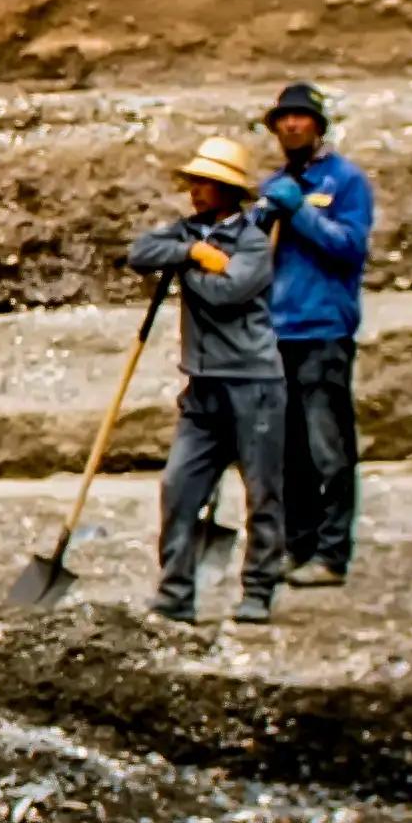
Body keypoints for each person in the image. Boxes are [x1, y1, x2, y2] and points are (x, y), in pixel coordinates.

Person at [123, 152, 295, 624]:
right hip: (203, 388)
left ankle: (258, 590)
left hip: (254, 386)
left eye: (206, 183)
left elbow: (228, 292)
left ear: (229, 191)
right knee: (179, 488)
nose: (196, 191)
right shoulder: (187, 232)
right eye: (194, 182)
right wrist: (191, 253)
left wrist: (185, 268)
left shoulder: (254, 243)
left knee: (263, 494)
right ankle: (176, 593)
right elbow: (140, 253)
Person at [250, 82, 374, 583]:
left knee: (329, 448)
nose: (292, 125)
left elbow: (349, 246)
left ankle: (331, 554)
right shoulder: (274, 185)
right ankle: (295, 547)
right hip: (278, 332)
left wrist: (299, 211)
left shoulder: (345, 181)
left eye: (302, 117)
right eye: (284, 118)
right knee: (288, 451)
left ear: (318, 125)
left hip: (323, 330)